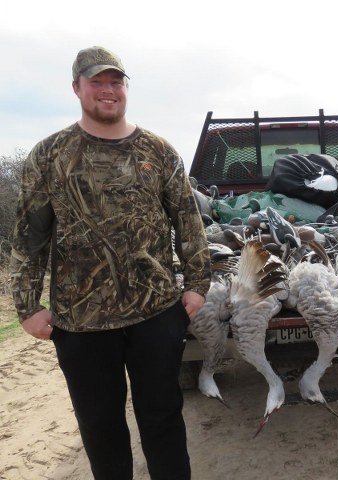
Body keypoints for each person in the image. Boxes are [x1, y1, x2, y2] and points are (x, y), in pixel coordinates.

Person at [10, 46, 211, 480]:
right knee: (101, 429)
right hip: (80, 323)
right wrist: (27, 305)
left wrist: (197, 284)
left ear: (125, 88)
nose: (107, 90)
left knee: (163, 419)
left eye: (115, 81)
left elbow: (188, 222)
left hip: (156, 314)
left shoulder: (158, 150)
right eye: (96, 81)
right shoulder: (50, 155)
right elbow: (29, 234)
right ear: (76, 87)